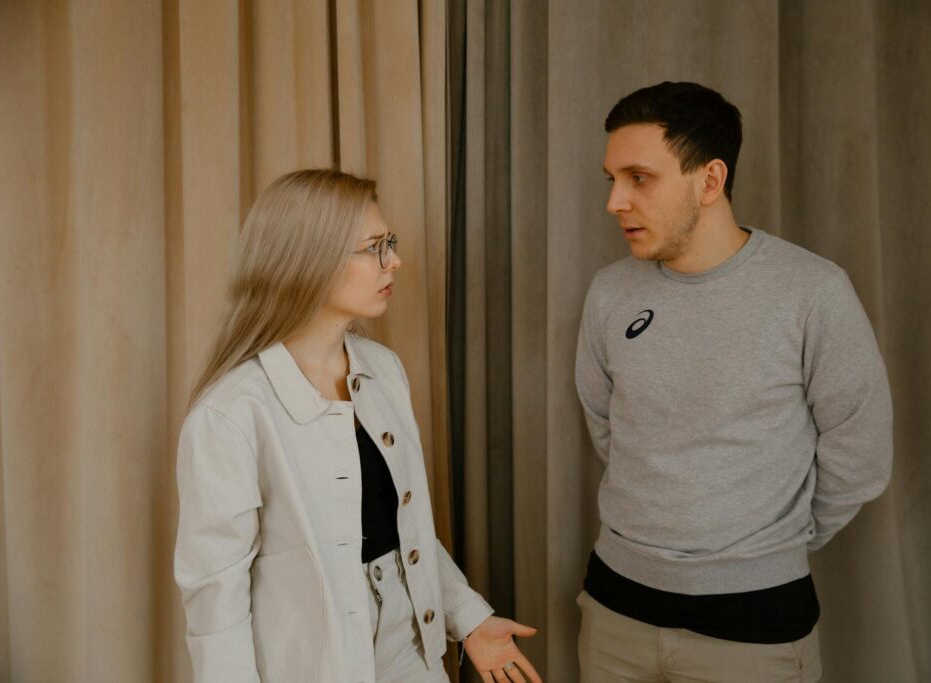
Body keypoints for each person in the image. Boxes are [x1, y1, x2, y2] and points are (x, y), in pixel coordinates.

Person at [575, 82, 893, 682]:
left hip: (754, 626)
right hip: (616, 608)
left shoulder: (812, 292)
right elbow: (608, 425)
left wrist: (765, 544)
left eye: (639, 178)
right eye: (611, 179)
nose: (615, 201)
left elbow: (862, 450)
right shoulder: (610, 292)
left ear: (710, 180)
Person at [174, 169, 541, 683]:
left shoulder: (382, 369)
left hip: (412, 643)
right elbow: (216, 597)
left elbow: (404, 528)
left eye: (389, 242)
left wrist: (469, 619)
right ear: (309, 261)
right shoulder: (231, 414)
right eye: (374, 247)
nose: (395, 261)